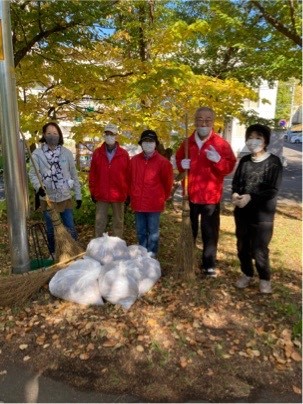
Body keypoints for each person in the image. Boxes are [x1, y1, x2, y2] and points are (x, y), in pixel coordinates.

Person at [175, 107, 236, 277]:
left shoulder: (221, 144)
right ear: (195, 121)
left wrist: (218, 160)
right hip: (191, 196)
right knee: (190, 232)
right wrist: (182, 165)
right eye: (200, 119)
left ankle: (209, 265)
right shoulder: (187, 143)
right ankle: (188, 262)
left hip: (211, 197)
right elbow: (179, 160)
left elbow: (229, 167)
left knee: (210, 233)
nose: (204, 123)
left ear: (213, 122)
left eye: (208, 120)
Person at [231, 124, 283, 294]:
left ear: (265, 141)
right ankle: (247, 273)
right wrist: (235, 194)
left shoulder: (274, 162)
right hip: (242, 212)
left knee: (259, 249)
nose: (253, 141)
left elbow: (272, 190)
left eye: (258, 137)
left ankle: (264, 278)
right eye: (250, 137)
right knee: (242, 246)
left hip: (263, 215)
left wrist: (251, 197)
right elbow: (237, 182)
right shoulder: (245, 160)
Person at [28, 122, 82, 256]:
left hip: (65, 196)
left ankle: (73, 252)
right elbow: (33, 174)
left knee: (70, 226)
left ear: (59, 135)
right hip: (48, 198)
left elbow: (73, 174)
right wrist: (38, 187)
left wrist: (78, 195)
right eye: (49, 133)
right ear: (44, 135)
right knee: (51, 229)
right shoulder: (37, 154)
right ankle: (54, 253)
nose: (52, 136)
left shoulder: (66, 153)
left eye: (55, 133)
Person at [130, 129, 173, 257]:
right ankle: (142, 252)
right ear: (141, 144)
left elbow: (168, 183)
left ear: (155, 143)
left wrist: (162, 197)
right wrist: (132, 195)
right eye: (145, 141)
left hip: (154, 203)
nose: (148, 144)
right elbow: (129, 180)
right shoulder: (134, 161)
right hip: (138, 203)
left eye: (151, 141)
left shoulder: (163, 163)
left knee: (153, 231)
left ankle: (152, 254)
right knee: (140, 231)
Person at [89, 123, 130, 238]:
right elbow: (93, 174)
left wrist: (128, 193)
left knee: (118, 222)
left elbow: (128, 175)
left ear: (116, 135)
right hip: (101, 194)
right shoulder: (97, 153)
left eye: (111, 134)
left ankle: (118, 246)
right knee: (99, 223)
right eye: (107, 134)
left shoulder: (124, 154)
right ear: (104, 135)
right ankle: (98, 246)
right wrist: (93, 191)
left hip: (119, 194)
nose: (109, 136)